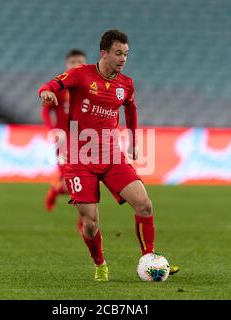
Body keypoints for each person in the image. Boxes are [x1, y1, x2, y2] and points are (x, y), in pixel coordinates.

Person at [38, 30, 179, 281]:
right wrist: (45, 93)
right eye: (118, 53)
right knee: (90, 223)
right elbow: (51, 85)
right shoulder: (81, 74)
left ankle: (149, 257)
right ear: (104, 53)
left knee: (145, 204)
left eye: (126, 54)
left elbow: (131, 109)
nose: (123, 58)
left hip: (111, 155)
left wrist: (134, 141)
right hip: (79, 159)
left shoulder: (126, 84)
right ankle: (100, 264)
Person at [42, 49, 86, 212]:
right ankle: (55, 190)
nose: (76, 65)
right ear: (67, 65)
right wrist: (53, 130)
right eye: (73, 62)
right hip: (65, 141)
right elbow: (46, 110)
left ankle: (85, 222)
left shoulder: (91, 87)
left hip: (86, 141)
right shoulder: (60, 87)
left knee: (87, 183)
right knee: (71, 184)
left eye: (79, 61)